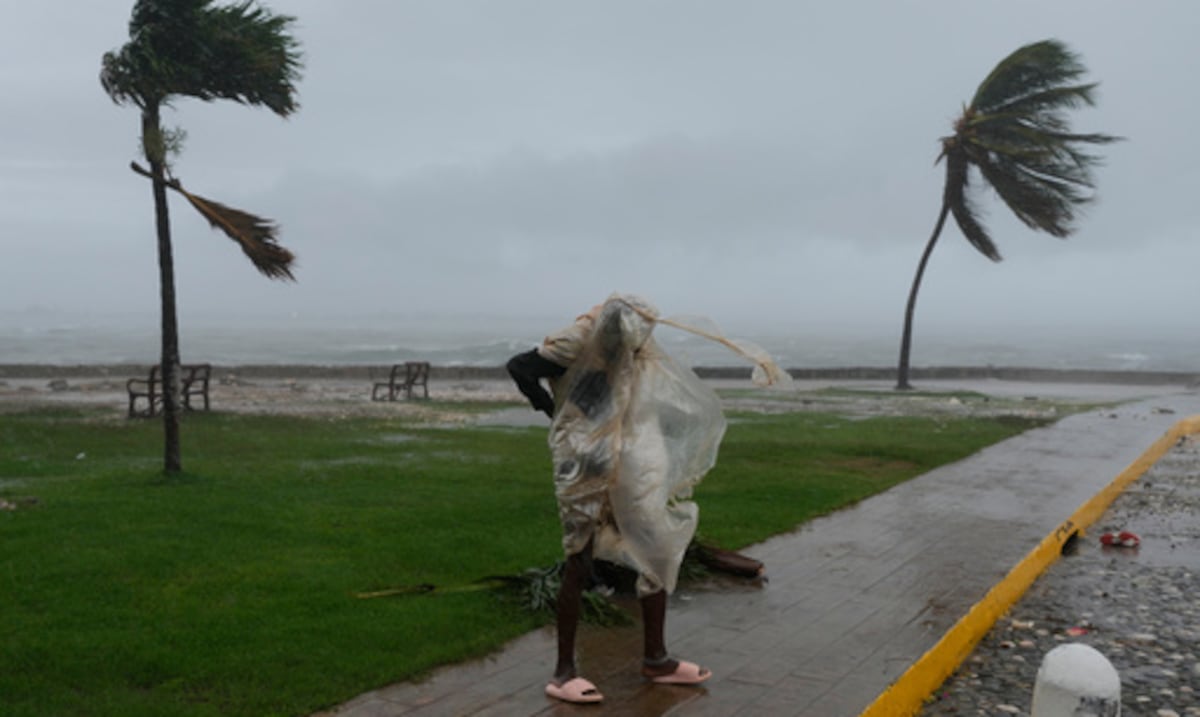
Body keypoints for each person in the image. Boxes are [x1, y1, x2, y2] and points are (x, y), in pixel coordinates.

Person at [507, 294, 720, 704]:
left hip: (625, 452)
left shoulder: (636, 344)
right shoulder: (575, 342)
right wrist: (555, 412)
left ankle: (657, 659)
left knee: (655, 547)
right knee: (580, 556)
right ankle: (563, 672)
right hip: (583, 457)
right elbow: (520, 366)